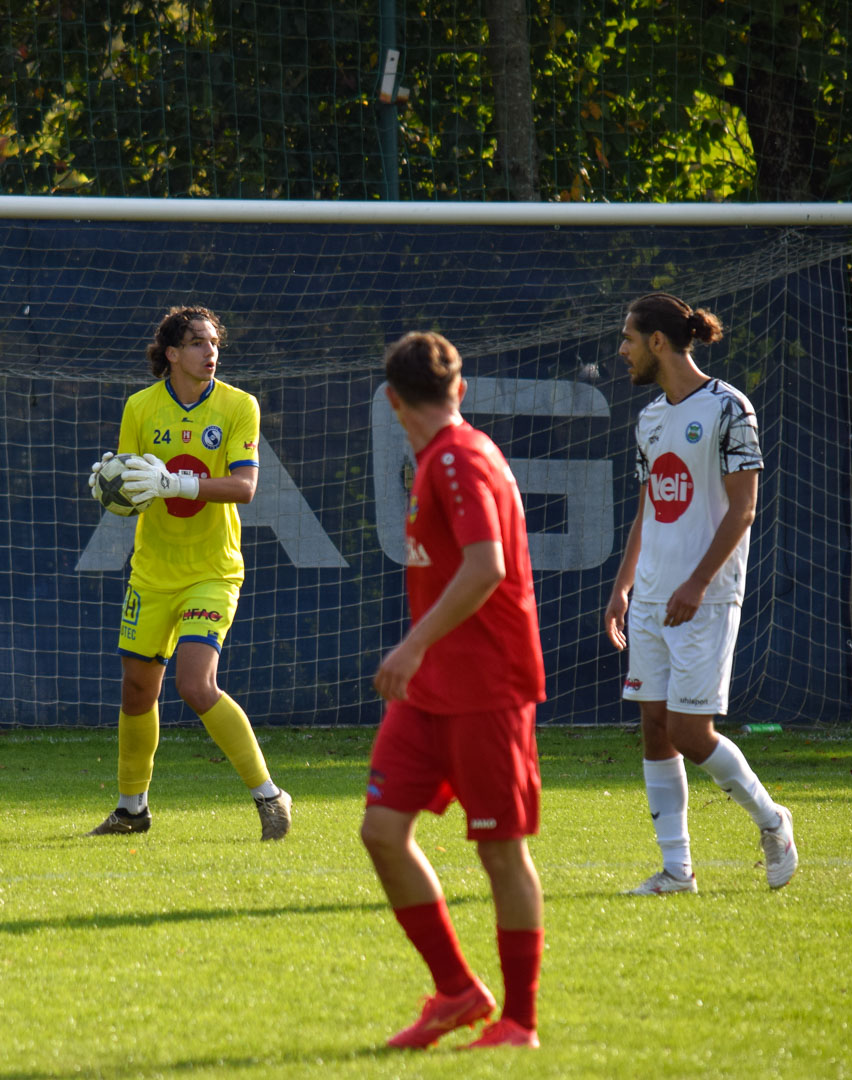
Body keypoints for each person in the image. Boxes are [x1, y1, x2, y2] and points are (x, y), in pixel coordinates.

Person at [361, 332, 546, 1051]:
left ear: (391, 401)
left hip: (487, 686)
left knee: (501, 851)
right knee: (382, 831)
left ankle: (519, 1022)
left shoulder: (460, 458)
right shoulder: (442, 456)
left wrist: (411, 645)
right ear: (459, 389)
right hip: (430, 688)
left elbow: (486, 567)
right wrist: (420, 658)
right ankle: (457, 992)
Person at [602, 292, 798, 895]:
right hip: (651, 598)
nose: (622, 349)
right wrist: (622, 588)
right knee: (655, 728)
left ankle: (773, 821)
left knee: (690, 732)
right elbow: (647, 512)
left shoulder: (729, 407)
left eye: (629, 338)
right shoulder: (649, 419)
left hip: (704, 599)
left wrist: (697, 582)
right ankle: (676, 871)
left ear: (658, 342)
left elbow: (743, 510)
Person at [83, 305, 292, 841]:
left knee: (195, 684)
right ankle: (132, 810)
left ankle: (269, 796)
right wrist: (114, 486)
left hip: (212, 571)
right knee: (137, 690)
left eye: (214, 342)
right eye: (198, 342)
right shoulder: (140, 406)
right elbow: (132, 486)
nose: (210, 351)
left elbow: (245, 487)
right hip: (152, 573)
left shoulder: (238, 405)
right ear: (172, 353)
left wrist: (176, 483)